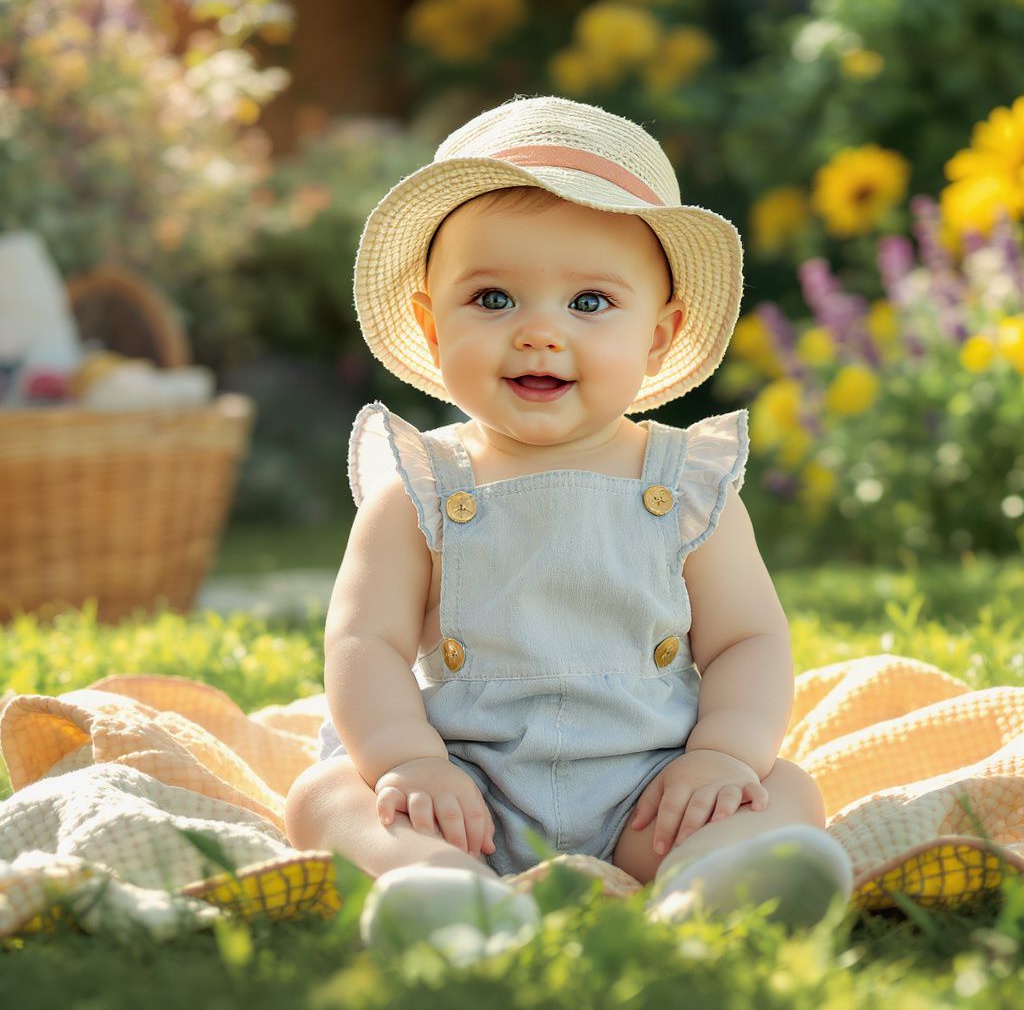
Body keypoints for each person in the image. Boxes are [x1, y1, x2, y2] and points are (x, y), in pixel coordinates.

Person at [284, 95, 853, 952]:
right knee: (325, 797)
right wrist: (407, 761)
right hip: (464, 792)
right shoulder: (422, 484)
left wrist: (724, 756)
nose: (540, 333)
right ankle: (445, 891)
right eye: (493, 298)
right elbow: (363, 642)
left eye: (589, 301)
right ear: (432, 328)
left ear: (659, 336)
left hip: (651, 791)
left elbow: (748, 640)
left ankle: (709, 887)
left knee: (787, 789)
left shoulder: (687, 483)